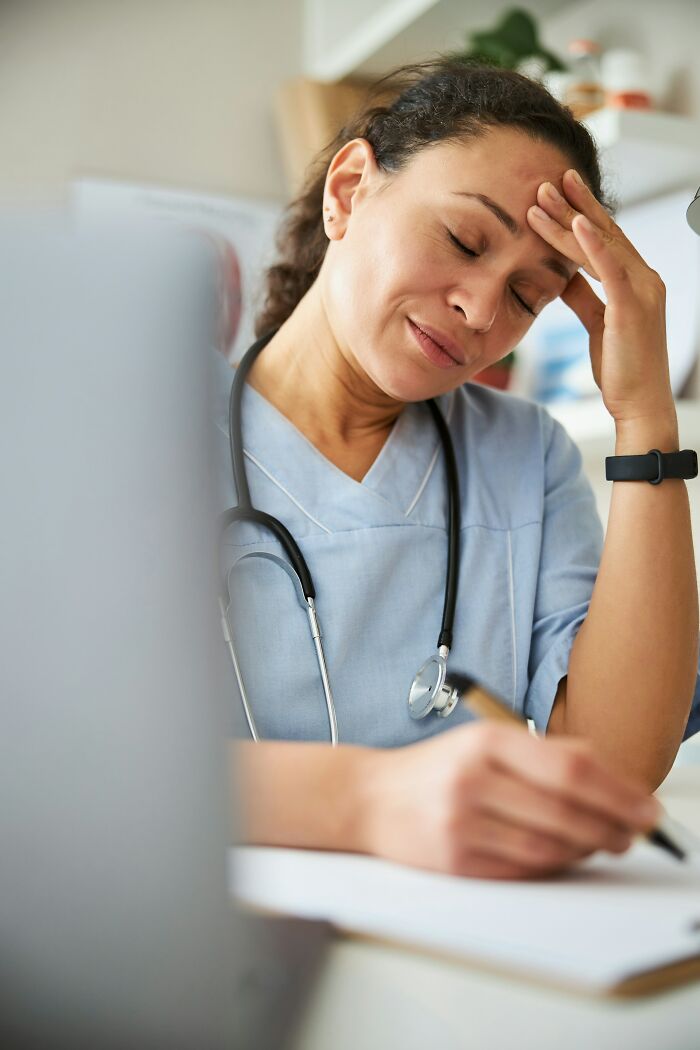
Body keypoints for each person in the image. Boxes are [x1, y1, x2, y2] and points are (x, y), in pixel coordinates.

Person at [219, 57, 700, 881]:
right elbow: (66, 759)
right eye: (463, 240)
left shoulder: (527, 454)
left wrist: (645, 414)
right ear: (348, 189)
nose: (480, 310)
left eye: (525, 297)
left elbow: (615, 766)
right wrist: (371, 797)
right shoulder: (135, 436)